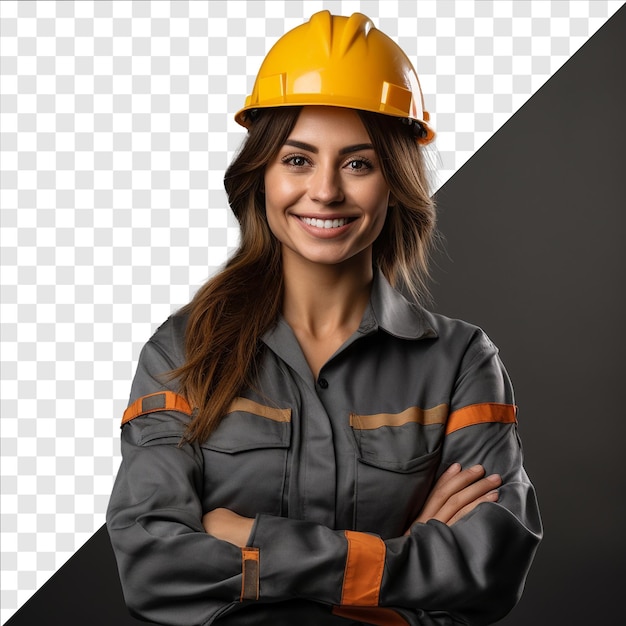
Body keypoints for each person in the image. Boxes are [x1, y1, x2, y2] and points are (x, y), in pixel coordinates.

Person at [106, 11, 542, 626]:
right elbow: (153, 569)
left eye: (359, 163)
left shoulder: (461, 363)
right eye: (298, 159)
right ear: (261, 174)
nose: (327, 191)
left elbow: (486, 572)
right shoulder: (182, 350)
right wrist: (401, 563)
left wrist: (249, 538)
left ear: (397, 180)